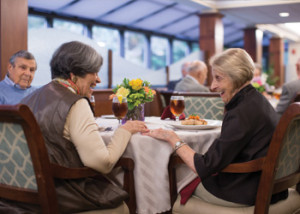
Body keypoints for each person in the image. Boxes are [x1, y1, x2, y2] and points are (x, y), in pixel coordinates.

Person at [1, 41, 149, 213]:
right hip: (57, 195)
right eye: (94, 72)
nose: (98, 79)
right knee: (122, 207)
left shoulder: (28, 99)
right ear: (73, 76)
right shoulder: (76, 103)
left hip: (14, 199)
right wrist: (125, 130)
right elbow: (103, 163)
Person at [144, 48, 287, 207]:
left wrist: (172, 138)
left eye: (218, 78)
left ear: (237, 76)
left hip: (244, 191)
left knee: (171, 174)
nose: (212, 86)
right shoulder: (258, 101)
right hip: (270, 187)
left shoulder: (241, 112)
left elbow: (205, 166)